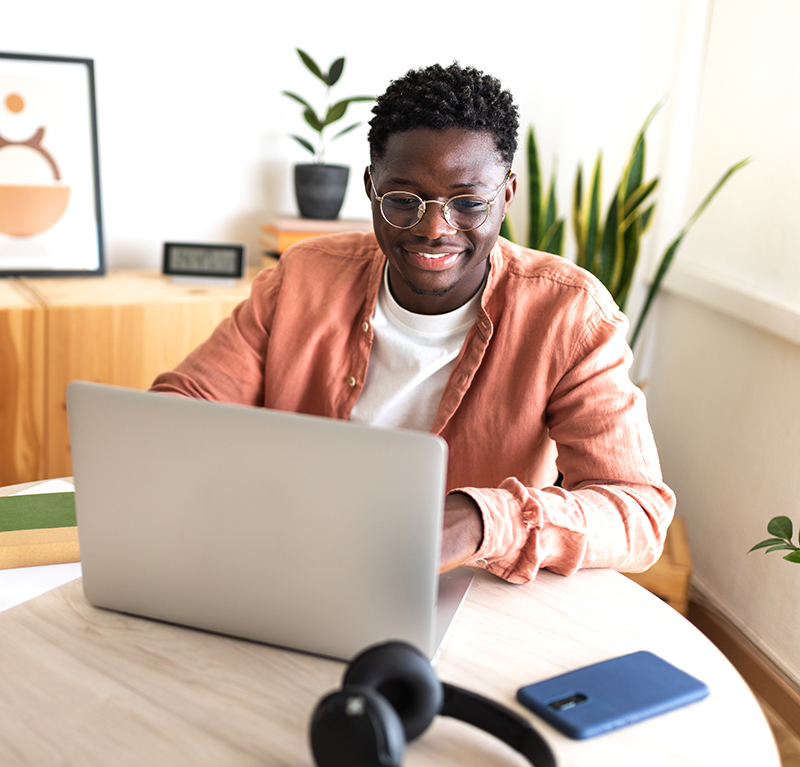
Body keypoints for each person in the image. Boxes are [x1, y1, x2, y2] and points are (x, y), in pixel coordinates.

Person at [150, 62, 675, 584]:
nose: (434, 228)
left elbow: (638, 513)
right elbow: (184, 406)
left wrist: (478, 521)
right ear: (371, 188)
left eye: (468, 203)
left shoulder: (569, 316)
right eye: (403, 200)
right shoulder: (304, 278)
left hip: (456, 590)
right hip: (286, 560)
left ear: (506, 195)